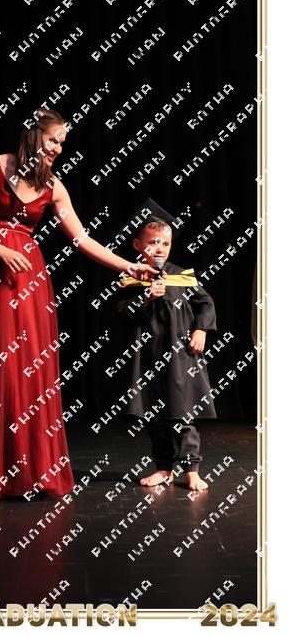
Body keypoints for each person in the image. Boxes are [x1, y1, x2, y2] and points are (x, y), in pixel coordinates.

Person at [0, 108, 157, 500]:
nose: (59, 148)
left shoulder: (53, 186)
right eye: (53, 140)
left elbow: (82, 239)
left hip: (31, 283)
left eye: (62, 143)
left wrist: (128, 265)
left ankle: (30, 472)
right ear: (33, 135)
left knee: (30, 372)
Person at [113, 205, 217, 492]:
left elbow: (205, 303)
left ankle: (192, 469)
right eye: (152, 242)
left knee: (185, 413)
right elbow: (120, 313)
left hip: (182, 355)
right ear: (137, 245)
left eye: (165, 243)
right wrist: (145, 298)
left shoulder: (182, 276)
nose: (159, 249)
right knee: (155, 415)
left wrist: (201, 329)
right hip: (148, 357)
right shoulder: (132, 278)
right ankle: (164, 468)